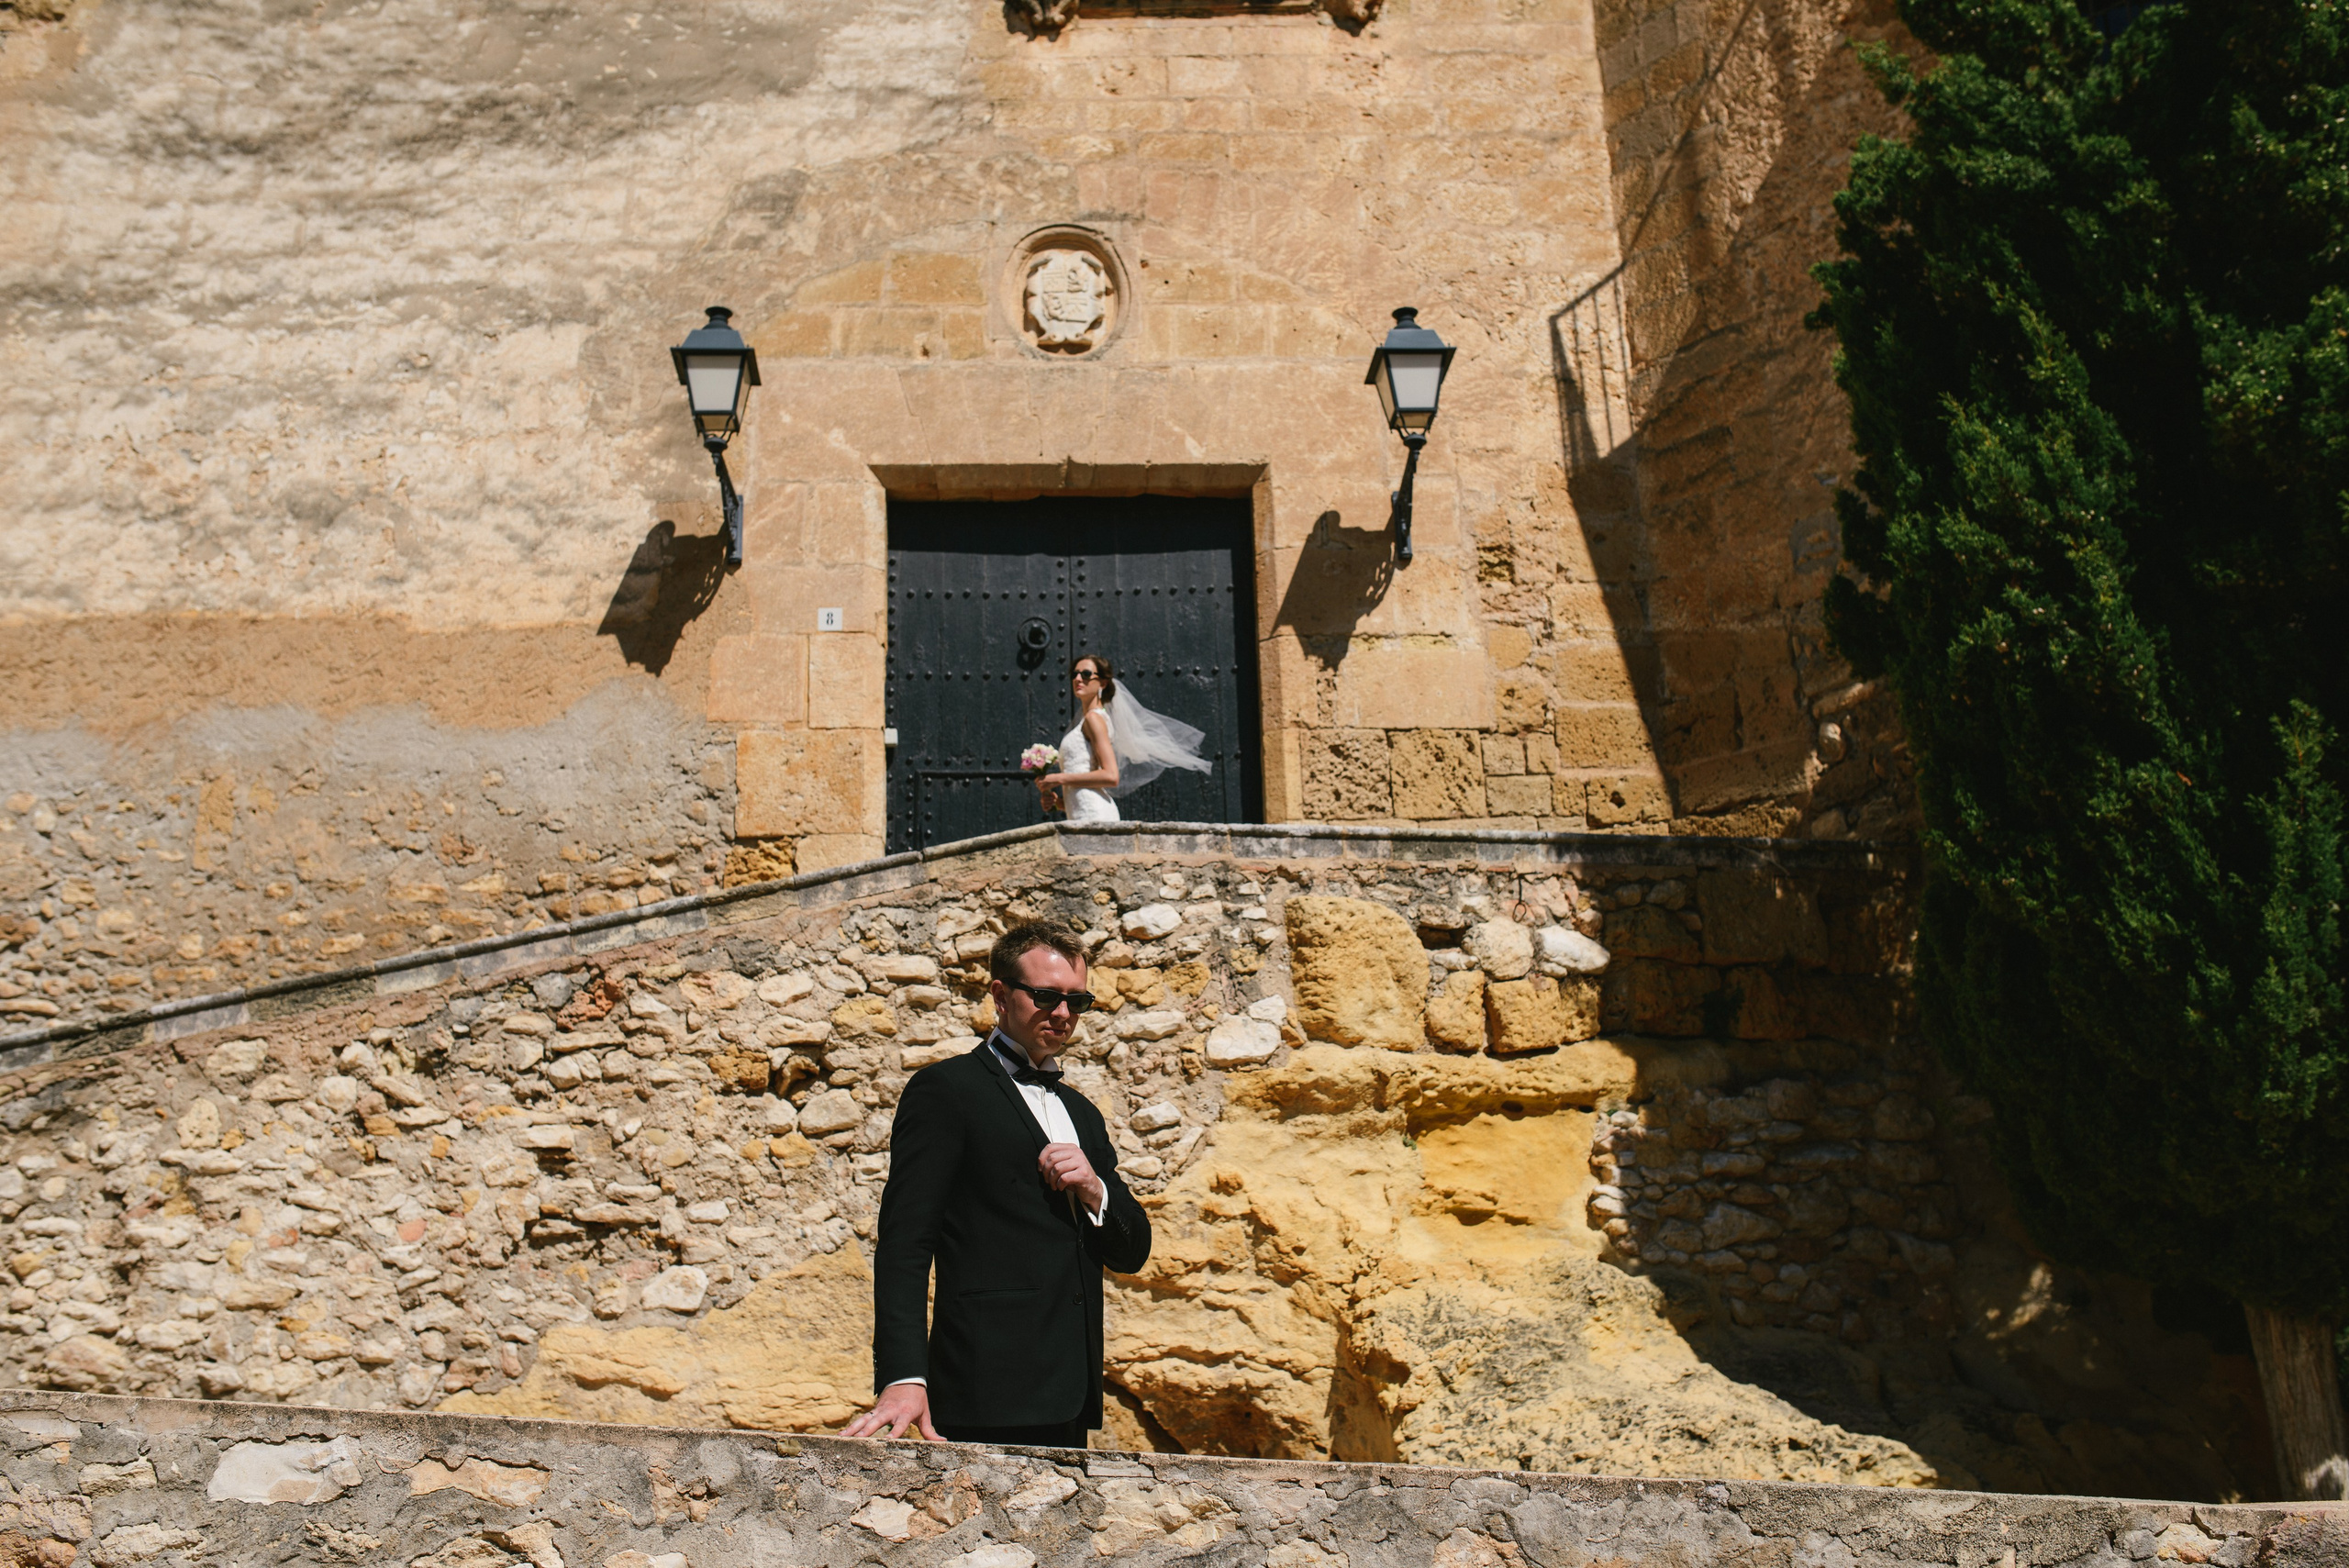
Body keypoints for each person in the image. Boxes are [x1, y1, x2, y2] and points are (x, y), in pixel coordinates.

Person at [843, 922, 1152, 1448]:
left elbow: (1132, 1252)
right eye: (1047, 996)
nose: (1062, 1014)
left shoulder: (1082, 1113)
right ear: (1000, 996)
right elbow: (906, 1244)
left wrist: (1095, 1190)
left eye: (1077, 1002)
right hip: (981, 1388)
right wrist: (903, 1376)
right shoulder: (945, 1091)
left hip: (1069, 1396)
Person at [1036, 654, 1213, 823]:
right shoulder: (1090, 718)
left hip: (1095, 815)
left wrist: (1060, 779)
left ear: (1102, 683)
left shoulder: (1093, 719)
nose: (1078, 679)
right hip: (1084, 812)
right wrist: (1059, 803)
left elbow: (1111, 776)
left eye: (1087, 674)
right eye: (1075, 674)